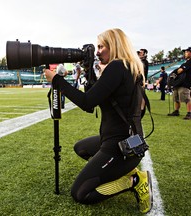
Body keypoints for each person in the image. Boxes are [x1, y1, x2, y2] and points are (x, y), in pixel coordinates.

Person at [44, 28, 153, 214]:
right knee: (81, 148)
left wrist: (57, 81)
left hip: (121, 148)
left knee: (80, 193)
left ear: (114, 46)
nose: (97, 51)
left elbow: (87, 103)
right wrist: (90, 71)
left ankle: (134, 181)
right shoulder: (131, 68)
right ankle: (121, 171)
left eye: (101, 46)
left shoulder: (117, 67)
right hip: (129, 141)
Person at [167, 47, 191, 120]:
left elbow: (180, 71)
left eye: (186, 52)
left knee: (187, 99)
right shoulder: (186, 62)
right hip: (178, 83)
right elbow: (178, 71)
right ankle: (176, 111)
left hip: (185, 83)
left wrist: (174, 72)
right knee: (176, 98)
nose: (185, 53)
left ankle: (189, 113)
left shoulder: (190, 62)